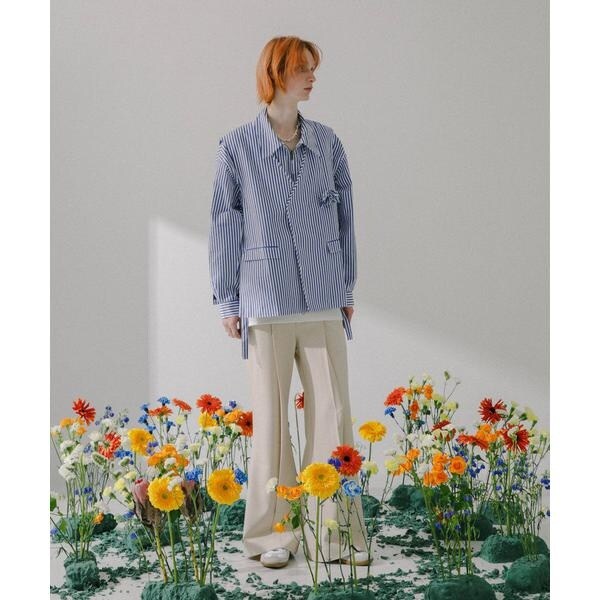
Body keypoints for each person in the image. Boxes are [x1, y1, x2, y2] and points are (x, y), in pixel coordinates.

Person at [209, 36, 369, 569]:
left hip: (323, 298)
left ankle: (335, 535)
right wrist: (228, 300)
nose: (312, 77)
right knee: (272, 427)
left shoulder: (328, 143)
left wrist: (346, 288)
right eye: (304, 69)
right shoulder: (237, 147)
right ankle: (271, 536)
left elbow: (346, 216)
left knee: (333, 419)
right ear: (277, 74)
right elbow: (226, 223)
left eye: (313, 69)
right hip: (266, 298)